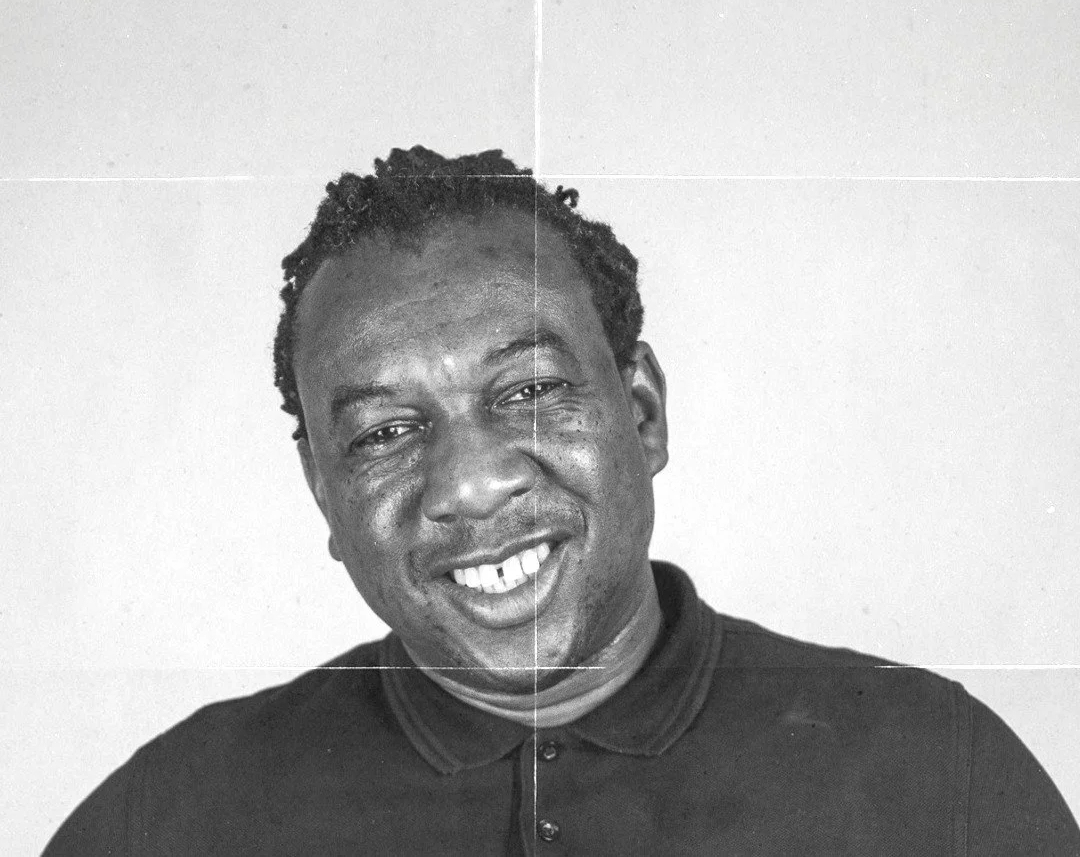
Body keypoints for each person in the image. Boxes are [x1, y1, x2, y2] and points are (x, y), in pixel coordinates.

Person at [44, 146, 1079, 855]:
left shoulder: (937, 775)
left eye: (529, 392)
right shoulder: (168, 822)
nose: (469, 483)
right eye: (384, 433)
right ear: (324, 493)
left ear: (644, 413)